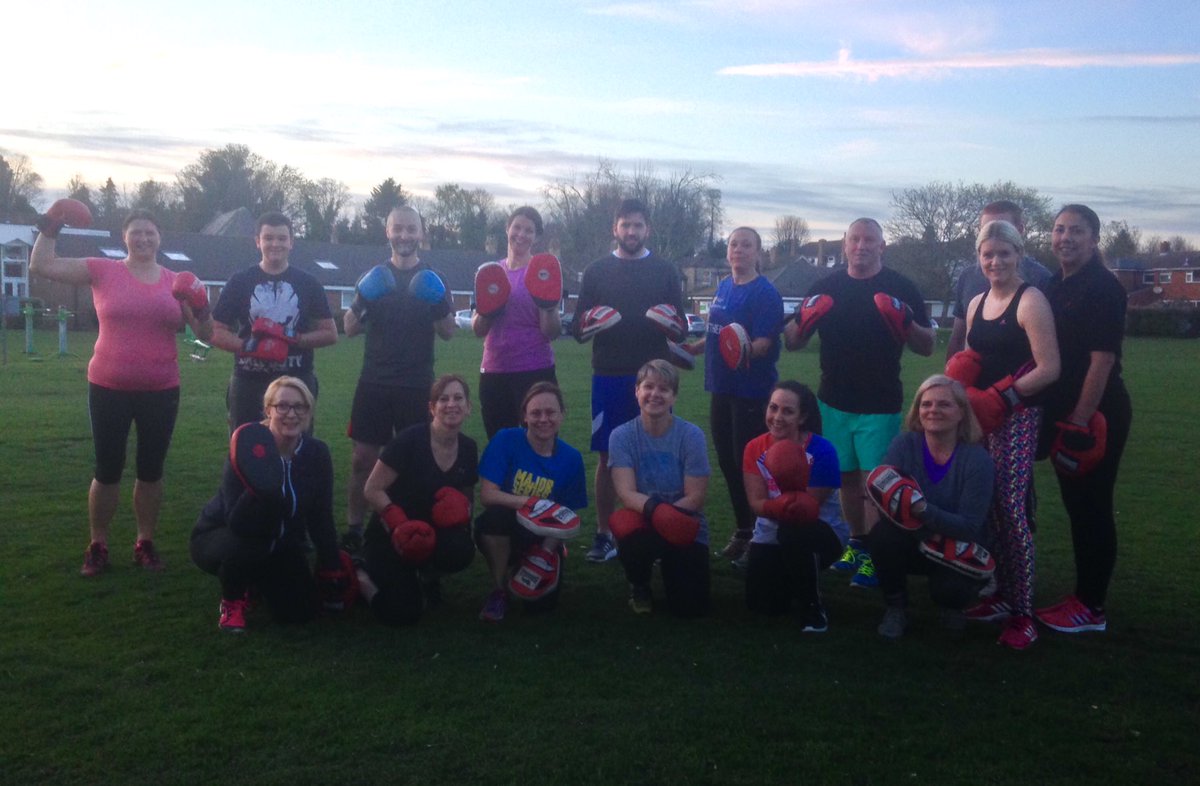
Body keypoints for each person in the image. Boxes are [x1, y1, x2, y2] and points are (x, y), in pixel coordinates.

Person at [30, 207, 213, 576]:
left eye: (150, 233)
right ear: (124, 237)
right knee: (107, 470)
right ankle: (98, 544)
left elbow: (206, 336)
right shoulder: (103, 270)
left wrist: (202, 304)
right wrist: (51, 225)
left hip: (161, 388)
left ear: (160, 238)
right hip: (108, 386)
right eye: (136, 232)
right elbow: (42, 266)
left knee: (150, 471)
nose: (143, 238)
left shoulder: (176, 281)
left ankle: (144, 542)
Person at [784, 218, 935, 589]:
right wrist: (803, 321)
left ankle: (878, 557)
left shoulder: (901, 286)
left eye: (870, 240)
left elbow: (928, 345)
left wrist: (906, 323)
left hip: (880, 402)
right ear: (845, 245)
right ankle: (859, 545)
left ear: (882, 246)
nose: (861, 246)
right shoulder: (826, 286)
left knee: (875, 484)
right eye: (855, 239)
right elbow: (792, 341)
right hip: (833, 400)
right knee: (846, 480)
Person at [954, 220, 1060, 650]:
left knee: (1011, 510)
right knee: (984, 504)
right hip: (978, 417)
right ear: (979, 258)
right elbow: (969, 354)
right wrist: (960, 383)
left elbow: (1050, 367)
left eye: (1003, 253)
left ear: (1019, 255)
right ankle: (998, 592)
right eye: (987, 254)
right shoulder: (977, 302)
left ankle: (1023, 612)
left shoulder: (1030, 300)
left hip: (1017, 418)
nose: (995, 261)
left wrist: (1004, 396)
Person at [1034, 204, 1132, 635]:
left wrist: (1079, 421)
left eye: (1076, 231)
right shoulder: (1055, 283)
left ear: (1094, 239)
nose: (1066, 238)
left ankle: (1090, 606)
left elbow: (1102, 360)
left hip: (1096, 415)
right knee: (1076, 506)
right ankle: (1081, 597)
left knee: (1091, 507)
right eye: (1059, 230)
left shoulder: (1103, 287)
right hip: (1062, 413)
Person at [573, 198, 685, 563]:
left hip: (655, 377)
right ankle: (604, 534)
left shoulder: (666, 271)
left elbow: (681, 328)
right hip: (609, 374)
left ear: (647, 229)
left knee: (656, 455)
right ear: (615, 228)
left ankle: (653, 529)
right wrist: (590, 323)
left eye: (638, 225)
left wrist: (671, 324)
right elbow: (575, 328)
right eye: (625, 225)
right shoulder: (596, 271)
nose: (632, 232)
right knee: (607, 457)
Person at [190, 377, 348, 632]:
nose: (291, 414)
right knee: (251, 541)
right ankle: (232, 600)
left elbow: (321, 516)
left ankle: (257, 583)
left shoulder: (317, 453)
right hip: (223, 536)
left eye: (300, 407)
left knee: (299, 613)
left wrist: (331, 567)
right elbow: (236, 521)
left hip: (280, 541)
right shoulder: (247, 448)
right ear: (268, 410)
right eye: (282, 406)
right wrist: (261, 487)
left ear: (309, 411)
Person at [342, 206, 456, 552]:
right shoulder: (373, 277)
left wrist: (436, 302)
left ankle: (414, 526)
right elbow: (348, 328)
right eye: (398, 229)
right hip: (374, 382)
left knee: (415, 462)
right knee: (362, 459)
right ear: (387, 232)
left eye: (411, 229)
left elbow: (449, 332)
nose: (404, 236)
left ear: (421, 233)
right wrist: (363, 298)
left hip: (418, 384)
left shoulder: (436, 279)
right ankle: (354, 528)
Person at [871, 375, 995, 640]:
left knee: (950, 592)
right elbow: (884, 501)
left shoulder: (977, 459)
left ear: (961, 412)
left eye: (944, 404)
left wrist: (921, 510)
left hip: (958, 546)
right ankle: (896, 607)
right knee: (882, 535)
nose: (933, 410)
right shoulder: (904, 445)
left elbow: (971, 527)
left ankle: (953, 606)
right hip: (918, 538)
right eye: (926, 404)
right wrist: (925, 530)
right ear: (917, 411)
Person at [689, 227, 784, 565]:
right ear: (727, 251)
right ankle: (744, 532)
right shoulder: (724, 287)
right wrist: (691, 349)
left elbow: (762, 344)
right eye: (734, 244)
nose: (739, 250)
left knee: (751, 470)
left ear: (758, 253)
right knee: (729, 466)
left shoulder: (765, 294)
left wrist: (743, 350)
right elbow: (718, 336)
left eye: (747, 245)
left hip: (751, 393)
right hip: (721, 388)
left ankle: (762, 537)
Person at [357, 375, 478, 625]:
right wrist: (397, 521)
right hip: (392, 533)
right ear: (432, 408)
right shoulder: (409, 440)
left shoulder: (468, 447)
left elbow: (468, 495)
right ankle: (360, 575)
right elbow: (371, 489)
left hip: (431, 532)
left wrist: (464, 514)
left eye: (458, 398)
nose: (451, 404)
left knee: (461, 549)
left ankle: (428, 576)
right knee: (404, 612)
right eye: (443, 399)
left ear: (468, 408)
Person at [209, 211, 338, 431]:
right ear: (257, 242)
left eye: (281, 238)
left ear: (291, 242)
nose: (275, 244)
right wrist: (248, 346)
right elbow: (215, 331)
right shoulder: (240, 282)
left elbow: (330, 333)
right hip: (249, 381)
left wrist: (292, 338)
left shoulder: (308, 283)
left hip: (296, 381)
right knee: (246, 450)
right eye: (268, 238)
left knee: (297, 450)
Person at [475, 382, 588, 622]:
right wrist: (529, 502)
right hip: (508, 525)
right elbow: (487, 495)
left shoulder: (571, 458)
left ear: (562, 415)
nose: (543, 419)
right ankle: (499, 589)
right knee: (493, 520)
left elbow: (566, 518)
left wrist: (545, 553)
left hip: (544, 534)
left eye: (550, 412)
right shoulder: (506, 439)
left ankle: (541, 558)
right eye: (535, 413)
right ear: (524, 417)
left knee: (540, 607)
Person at [608, 360, 711, 617]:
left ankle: (673, 566)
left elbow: (696, 496)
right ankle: (639, 583)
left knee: (690, 607)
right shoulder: (621, 436)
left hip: (684, 521)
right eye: (648, 387)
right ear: (637, 391)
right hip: (644, 520)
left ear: (674, 395)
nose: (655, 394)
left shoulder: (691, 435)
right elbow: (625, 492)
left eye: (664, 389)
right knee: (626, 529)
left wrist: (668, 518)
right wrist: (656, 514)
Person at [741, 381, 847, 632]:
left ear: (803, 417)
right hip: (771, 529)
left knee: (793, 529)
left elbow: (807, 509)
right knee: (763, 603)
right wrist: (778, 507)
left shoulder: (822, 450)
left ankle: (813, 606)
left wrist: (783, 499)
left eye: (787, 411)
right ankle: (793, 578)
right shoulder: (755, 447)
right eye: (773, 408)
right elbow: (756, 503)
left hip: (820, 531)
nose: (777, 417)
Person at [473, 207, 561, 438]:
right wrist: (489, 310)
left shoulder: (543, 273)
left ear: (536, 237)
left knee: (539, 442)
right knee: (499, 443)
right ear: (507, 229)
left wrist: (548, 306)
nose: (521, 234)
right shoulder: (490, 272)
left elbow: (550, 332)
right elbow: (478, 329)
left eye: (529, 230)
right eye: (517, 227)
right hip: (495, 371)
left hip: (534, 369)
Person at [945, 200, 1053, 361]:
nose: (994, 233)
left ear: (1020, 230)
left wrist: (1005, 387)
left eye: (1003, 228)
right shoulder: (967, 278)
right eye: (986, 229)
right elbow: (958, 338)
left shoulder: (1041, 279)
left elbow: (1048, 362)